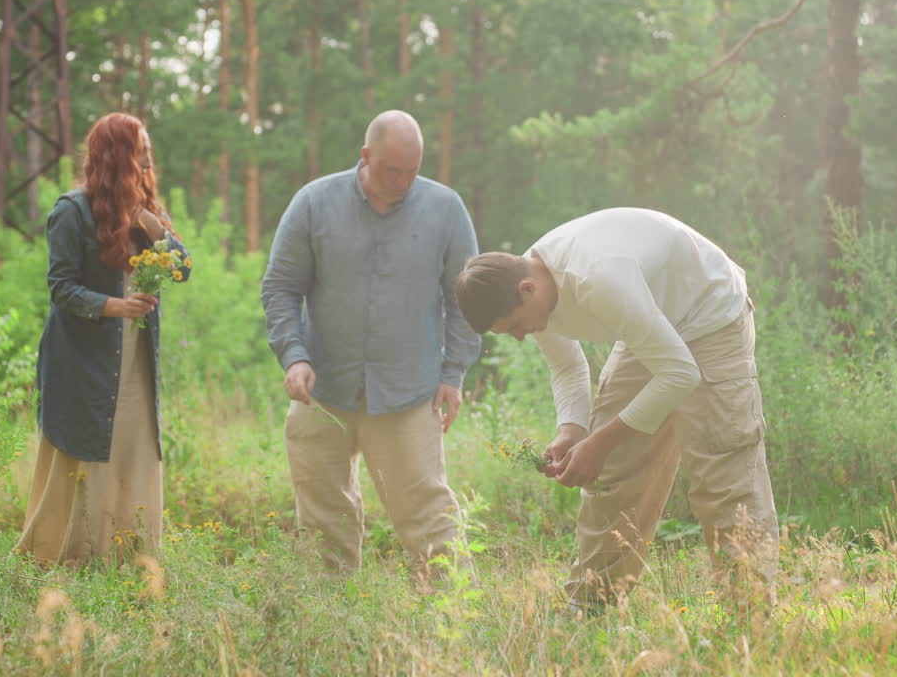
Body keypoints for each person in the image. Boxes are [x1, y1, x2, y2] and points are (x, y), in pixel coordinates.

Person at [454, 208, 778, 610]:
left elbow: (679, 374)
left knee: (723, 473)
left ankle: (750, 616)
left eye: (514, 326)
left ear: (526, 289)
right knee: (613, 471)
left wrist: (599, 442)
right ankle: (592, 604)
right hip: (650, 321)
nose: (520, 337)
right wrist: (572, 430)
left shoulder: (598, 278)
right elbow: (568, 367)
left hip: (709, 315)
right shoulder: (524, 279)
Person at [260, 110, 481, 579]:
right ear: (365, 156)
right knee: (321, 525)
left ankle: (453, 628)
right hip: (323, 393)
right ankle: (331, 626)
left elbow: (465, 299)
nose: (403, 181)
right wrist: (293, 357)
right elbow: (280, 287)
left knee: (429, 517)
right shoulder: (313, 203)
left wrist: (453, 374)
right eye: (391, 170)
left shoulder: (445, 209)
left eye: (412, 171)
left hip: (408, 393)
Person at [15, 112, 187, 566]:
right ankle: (72, 558)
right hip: (83, 361)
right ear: (117, 156)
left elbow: (183, 268)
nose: (149, 156)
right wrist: (114, 307)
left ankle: (132, 558)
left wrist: (151, 224)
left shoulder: (148, 213)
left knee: (131, 452)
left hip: (134, 361)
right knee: (86, 456)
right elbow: (61, 288)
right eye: (140, 147)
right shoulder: (71, 212)